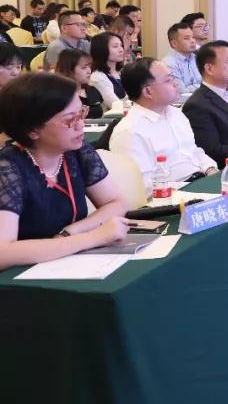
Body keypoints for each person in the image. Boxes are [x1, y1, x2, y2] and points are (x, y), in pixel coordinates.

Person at [0, 73, 130, 270]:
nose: (81, 125)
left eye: (81, 113)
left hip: (69, 264)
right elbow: (3, 252)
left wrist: (71, 232)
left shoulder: (77, 151)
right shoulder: (8, 168)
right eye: (70, 119)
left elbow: (116, 203)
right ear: (33, 130)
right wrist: (92, 238)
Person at [111, 58, 219, 191]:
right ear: (148, 91)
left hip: (200, 180)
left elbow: (193, 151)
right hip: (173, 194)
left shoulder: (176, 113)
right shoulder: (129, 132)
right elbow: (142, 186)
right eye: (168, 80)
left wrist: (210, 169)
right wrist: (192, 187)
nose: (176, 83)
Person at [53, 49, 104, 119]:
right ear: (69, 70)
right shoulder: (60, 97)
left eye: (89, 67)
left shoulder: (92, 90)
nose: (89, 71)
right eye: (84, 68)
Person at [89, 32, 127, 110]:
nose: (121, 49)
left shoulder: (121, 72)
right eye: (115, 46)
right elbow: (116, 106)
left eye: (121, 45)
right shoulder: (98, 77)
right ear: (102, 49)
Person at [162, 22, 201, 93]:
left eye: (193, 37)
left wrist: (192, 87)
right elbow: (181, 91)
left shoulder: (197, 58)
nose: (193, 41)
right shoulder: (169, 63)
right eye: (187, 38)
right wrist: (201, 87)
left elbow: (209, 83)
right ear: (174, 43)